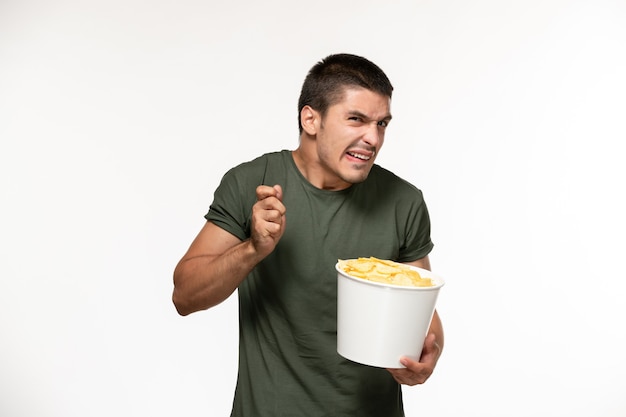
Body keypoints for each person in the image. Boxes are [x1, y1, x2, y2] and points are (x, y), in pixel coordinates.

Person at [172, 53, 444, 416]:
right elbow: (184, 295)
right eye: (356, 120)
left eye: (382, 124)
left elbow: (422, 310)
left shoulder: (403, 202)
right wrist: (253, 249)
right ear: (311, 119)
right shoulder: (252, 183)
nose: (373, 138)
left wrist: (430, 353)